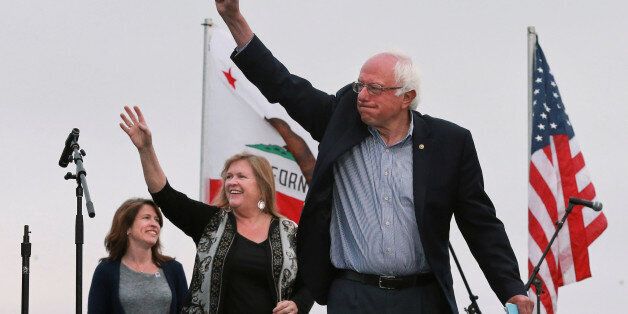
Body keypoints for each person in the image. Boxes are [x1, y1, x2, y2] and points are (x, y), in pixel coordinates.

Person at [214, 1, 535, 313]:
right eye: (359, 85)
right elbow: (282, 84)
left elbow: (480, 224)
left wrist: (511, 288)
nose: (362, 96)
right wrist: (233, 18)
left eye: (374, 89)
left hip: (422, 298)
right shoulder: (338, 122)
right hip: (352, 295)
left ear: (406, 97)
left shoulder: (450, 144)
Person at [119, 105, 314, 314]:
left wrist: (297, 305)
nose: (231, 182)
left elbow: (310, 282)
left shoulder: (288, 232)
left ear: (262, 186)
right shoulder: (210, 221)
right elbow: (166, 196)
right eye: (228, 176)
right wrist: (146, 149)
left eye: (241, 176)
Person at [87, 198, 188, 314]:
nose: (154, 224)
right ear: (127, 227)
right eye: (146, 218)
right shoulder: (106, 270)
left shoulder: (174, 269)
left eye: (157, 220)